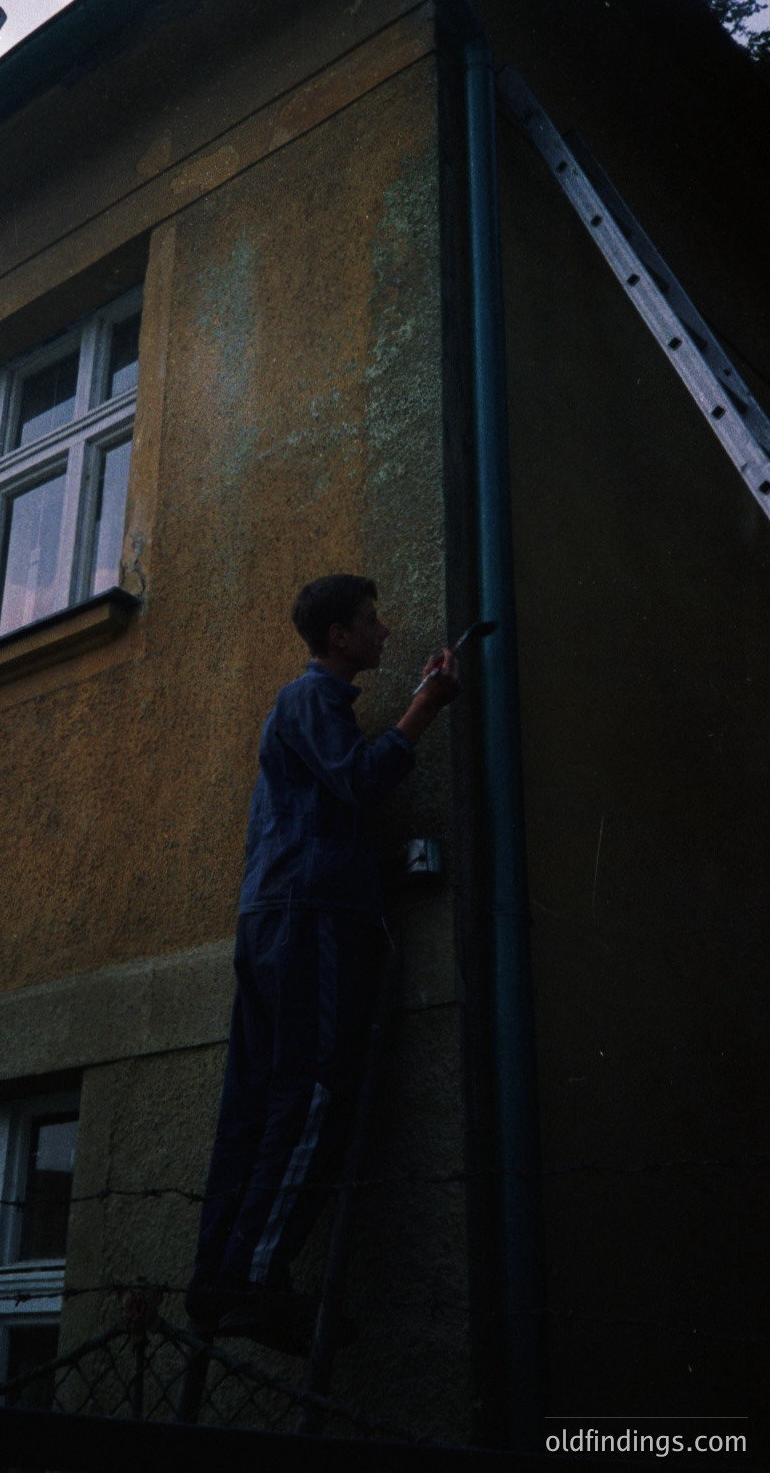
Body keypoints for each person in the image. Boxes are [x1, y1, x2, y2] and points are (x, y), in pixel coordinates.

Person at [184, 573, 461, 1349]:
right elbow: (361, 780)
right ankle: (247, 1279)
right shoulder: (308, 698)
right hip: (308, 919)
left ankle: (217, 1277)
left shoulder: (312, 710)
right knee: (309, 1096)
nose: (381, 631)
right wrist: (427, 705)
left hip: (276, 915)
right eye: (370, 621)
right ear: (338, 635)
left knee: (256, 1106)